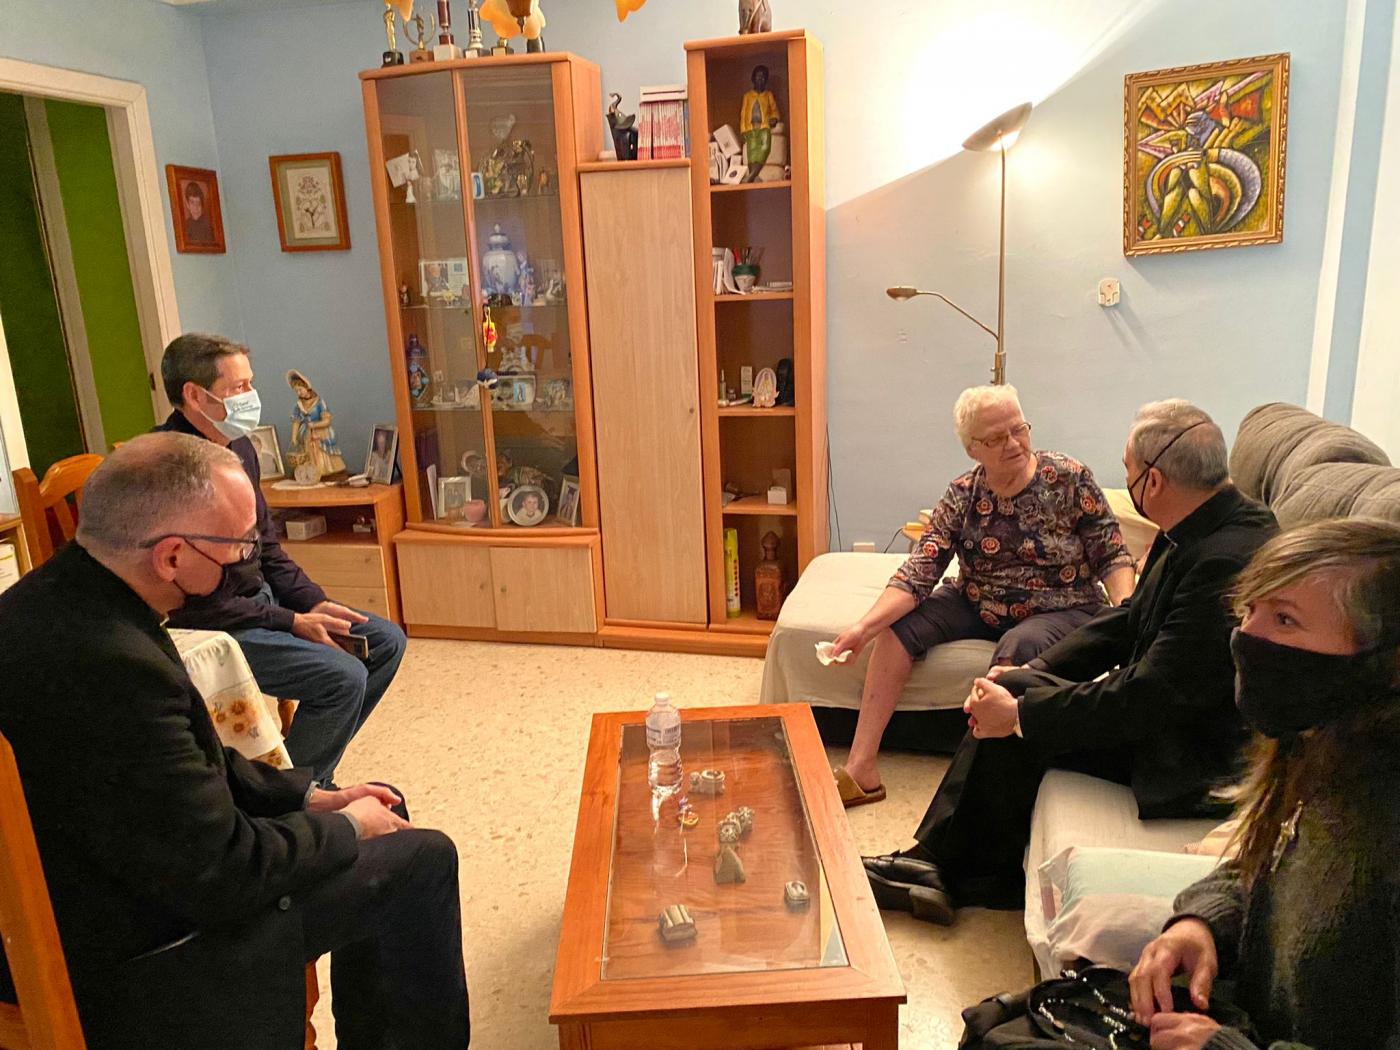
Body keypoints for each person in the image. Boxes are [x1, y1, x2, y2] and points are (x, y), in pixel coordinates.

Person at [0, 434, 469, 1048]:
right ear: (171, 556)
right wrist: (348, 828)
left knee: (382, 805)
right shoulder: (117, 666)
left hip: (114, 874)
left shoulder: (49, 603)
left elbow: (190, 763)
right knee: (422, 859)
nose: (250, 558)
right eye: (239, 544)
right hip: (144, 950)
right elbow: (226, 871)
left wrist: (309, 798)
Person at [863, 400, 1278, 925]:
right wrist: (1030, 678)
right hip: (1163, 713)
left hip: (1190, 755)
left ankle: (960, 874)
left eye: (1126, 472)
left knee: (1020, 721)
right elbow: (1129, 620)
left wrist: (1023, 715)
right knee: (1014, 688)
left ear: (1153, 484)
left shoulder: (1225, 559)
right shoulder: (1199, 527)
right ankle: (938, 864)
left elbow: (1152, 696)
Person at [1129, 517, 1400, 1050]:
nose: (1246, 638)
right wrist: (1199, 925)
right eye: (1249, 611)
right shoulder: (1321, 745)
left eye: (1285, 619)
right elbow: (1265, 865)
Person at [828, 385, 1135, 805]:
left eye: (1018, 429)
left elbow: (1112, 554)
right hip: (978, 598)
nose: (1013, 444)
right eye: (996, 438)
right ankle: (861, 768)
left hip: (1063, 604)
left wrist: (1127, 615)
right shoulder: (963, 493)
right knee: (898, 629)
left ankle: (983, 791)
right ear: (973, 449)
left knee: (1018, 646)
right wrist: (863, 628)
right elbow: (922, 568)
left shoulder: (1068, 477)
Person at [155, 333, 406, 785]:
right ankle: (292, 792)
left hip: (258, 604)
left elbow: (266, 544)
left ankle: (300, 775)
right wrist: (290, 622)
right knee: (343, 677)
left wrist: (312, 602)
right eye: (238, 388)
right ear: (194, 395)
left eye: (250, 384)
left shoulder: (240, 447)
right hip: (210, 626)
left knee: (385, 640)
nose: (250, 398)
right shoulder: (170, 469)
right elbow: (198, 600)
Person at [287, 368, 347, 477]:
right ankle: (312, 474)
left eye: (300, 389)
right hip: (307, 435)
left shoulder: (319, 402)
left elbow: (327, 421)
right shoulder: (298, 405)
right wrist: (294, 437)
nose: (299, 392)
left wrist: (315, 425)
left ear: (307, 387)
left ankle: (326, 471)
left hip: (321, 433)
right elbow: (296, 421)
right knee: (309, 454)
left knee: (322, 453)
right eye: (296, 391)